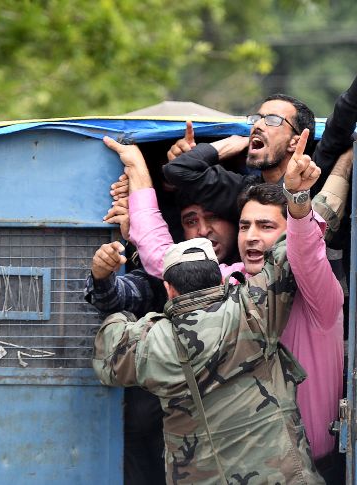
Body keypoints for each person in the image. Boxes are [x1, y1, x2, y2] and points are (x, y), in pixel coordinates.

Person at [105, 130, 346, 481]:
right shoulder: (233, 281)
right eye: (245, 225)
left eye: (265, 226)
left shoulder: (315, 289)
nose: (251, 235)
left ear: (287, 234)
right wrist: (139, 171)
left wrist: (302, 195)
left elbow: (306, 249)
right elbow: (163, 259)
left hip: (302, 467)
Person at [161, 9, 357, 226]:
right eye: (256, 119)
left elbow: (341, 120)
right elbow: (177, 171)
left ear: (295, 141)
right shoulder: (242, 189)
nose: (258, 125)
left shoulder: (312, 171)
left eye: (272, 120)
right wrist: (227, 144)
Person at [85, 173, 240, 485]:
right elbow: (125, 294)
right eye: (190, 220)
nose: (203, 230)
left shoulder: (255, 284)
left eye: (213, 218)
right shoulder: (169, 273)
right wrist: (104, 276)